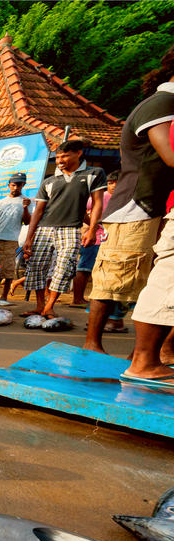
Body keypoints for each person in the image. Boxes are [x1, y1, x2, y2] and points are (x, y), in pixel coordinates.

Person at [86, 49, 174, 355]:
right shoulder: (163, 104)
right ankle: (93, 345)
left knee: (150, 279)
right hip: (136, 204)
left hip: (154, 203)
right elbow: (170, 156)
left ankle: (147, 353)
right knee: (115, 277)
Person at [22, 140, 106, 319]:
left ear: (79, 154)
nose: (60, 160)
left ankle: (50, 306)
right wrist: (29, 237)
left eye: (65, 156)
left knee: (65, 266)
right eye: (58, 157)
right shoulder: (49, 181)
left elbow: (97, 202)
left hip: (71, 229)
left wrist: (92, 229)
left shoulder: (93, 174)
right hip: (44, 229)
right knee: (37, 266)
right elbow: (38, 211)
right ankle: (39, 305)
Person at [0, 172, 31, 302]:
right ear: (9, 185)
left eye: (19, 185)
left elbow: (27, 222)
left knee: (8, 269)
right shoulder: (0, 202)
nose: (16, 188)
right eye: (14, 185)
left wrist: (26, 208)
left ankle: (4, 297)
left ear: (23, 185)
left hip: (10, 240)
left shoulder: (26, 201)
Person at [73, 170, 117, 307]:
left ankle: (94, 299)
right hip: (94, 237)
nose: (114, 186)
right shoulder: (99, 197)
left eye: (117, 183)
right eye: (110, 183)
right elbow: (80, 210)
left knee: (101, 270)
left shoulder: (122, 198)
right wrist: (94, 224)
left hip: (110, 239)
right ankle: (77, 299)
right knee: (84, 268)